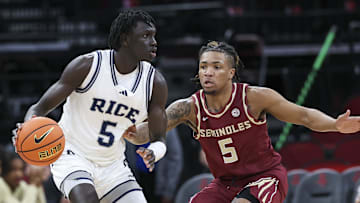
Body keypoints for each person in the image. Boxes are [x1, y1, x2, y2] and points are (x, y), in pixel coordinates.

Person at [124, 41, 360, 203]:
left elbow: (304, 116)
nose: (208, 72)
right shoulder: (188, 108)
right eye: (204, 66)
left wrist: (334, 125)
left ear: (231, 72)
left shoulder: (255, 98)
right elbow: (149, 132)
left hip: (266, 178)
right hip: (226, 184)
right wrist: (131, 132)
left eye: (216, 67)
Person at [12, 9, 168, 203]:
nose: (154, 42)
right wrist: (28, 127)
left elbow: (159, 138)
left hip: (113, 166)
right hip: (72, 156)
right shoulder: (88, 66)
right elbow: (39, 108)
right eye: (145, 36)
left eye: (154, 36)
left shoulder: (155, 83)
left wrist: (154, 151)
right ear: (125, 39)